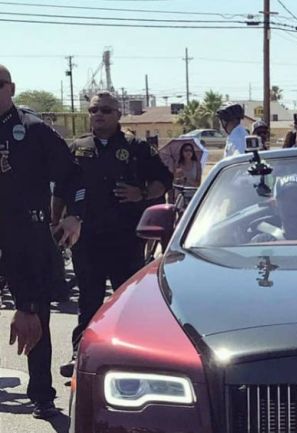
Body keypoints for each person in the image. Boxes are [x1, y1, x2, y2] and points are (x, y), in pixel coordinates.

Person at [54, 92, 172, 378]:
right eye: (94, 109)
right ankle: (80, 353)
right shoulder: (78, 148)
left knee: (128, 302)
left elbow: (164, 181)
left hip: (126, 239)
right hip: (87, 239)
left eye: (105, 110)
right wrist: (54, 222)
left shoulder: (137, 147)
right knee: (89, 302)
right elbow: (61, 189)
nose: (98, 114)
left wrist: (141, 193)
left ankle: (133, 355)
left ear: (118, 115)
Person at [0, 64, 84, 419]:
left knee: (33, 316)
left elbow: (72, 174)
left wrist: (72, 214)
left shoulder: (32, 130)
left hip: (24, 234)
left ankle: (42, 395)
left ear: (11, 87)